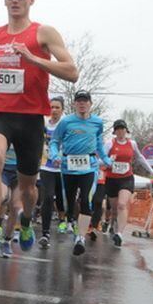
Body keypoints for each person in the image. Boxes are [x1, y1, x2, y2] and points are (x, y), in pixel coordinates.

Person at [0, 0, 78, 258]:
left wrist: (34, 59)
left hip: (30, 117)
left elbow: (72, 72)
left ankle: (26, 221)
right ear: (4, 0)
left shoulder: (44, 33)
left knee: (28, 189)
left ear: (31, 0)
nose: (15, 0)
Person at [47, 91, 112, 256]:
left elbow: (98, 142)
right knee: (69, 203)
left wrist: (105, 159)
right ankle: (72, 221)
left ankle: (81, 238)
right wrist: (55, 155)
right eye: (79, 101)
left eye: (85, 101)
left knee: (86, 200)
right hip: (68, 167)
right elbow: (55, 141)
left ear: (90, 103)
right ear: (75, 104)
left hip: (89, 167)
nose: (82, 104)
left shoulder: (97, 122)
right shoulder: (66, 122)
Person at [103, 119, 153, 246]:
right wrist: (108, 161)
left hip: (126, 178)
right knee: (115, 208)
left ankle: (120, 234)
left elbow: (139, 157)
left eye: (122, 129)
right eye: (118, 129)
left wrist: (151, 170)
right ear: (115, 131)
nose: (120, 131)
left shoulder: (132, 144)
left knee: (122, 204)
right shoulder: (109, 144)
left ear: (126, 130)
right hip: (111, 179)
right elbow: (102, 159)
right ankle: (113, 223)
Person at [37, 96, 68, 247]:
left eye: (57, 107)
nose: (54, 110)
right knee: (48, 197)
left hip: (63, 167)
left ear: (62, 110)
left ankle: (64, 219)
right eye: (52, 107)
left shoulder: (66, 124)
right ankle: (45, 233)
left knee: (63, 198)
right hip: (46, 166)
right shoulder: (44, 123)